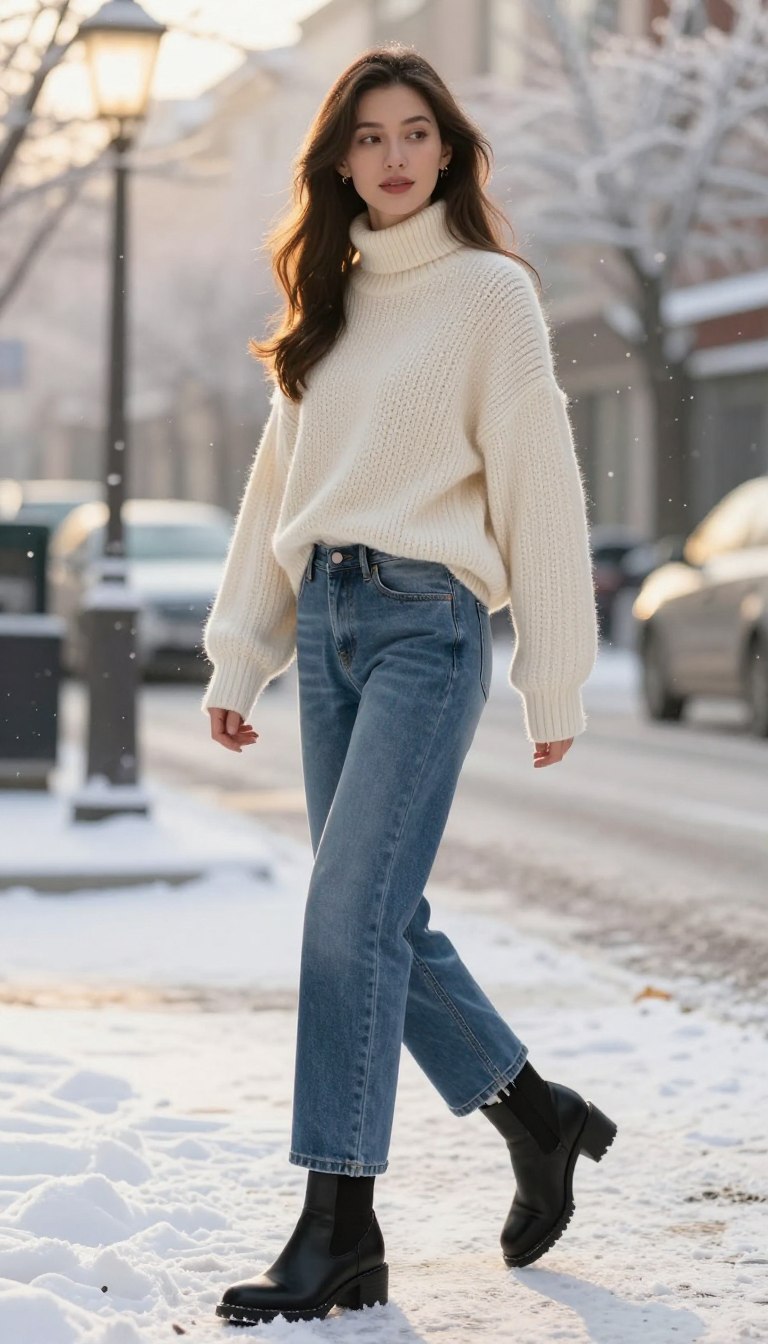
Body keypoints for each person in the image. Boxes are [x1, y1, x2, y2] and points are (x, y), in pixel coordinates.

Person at [201, 43, 617, 1328]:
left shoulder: (493, 296)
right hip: (325, 615)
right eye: (371, 136)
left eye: (418, 133)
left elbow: (541, 482)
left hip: (427, 627)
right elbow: (282, 494)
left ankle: (341, 1230)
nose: (395, 156)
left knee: (346, 920)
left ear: (448, 151)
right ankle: (537, 1116)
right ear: (337, 159)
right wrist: (245, 646)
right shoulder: (327, 300)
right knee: (377, 916)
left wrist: (556, 669)